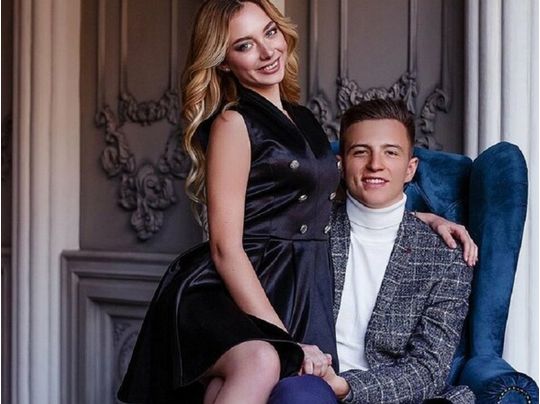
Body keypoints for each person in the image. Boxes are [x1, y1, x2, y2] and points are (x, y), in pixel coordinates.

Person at [118, 2, 476, 403]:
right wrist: (285, 340)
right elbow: (224, 247)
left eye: (270, 32)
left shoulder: (303, 119)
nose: (267, 51)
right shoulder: (233, 123)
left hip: (289, 285)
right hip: (233, 286)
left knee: (231, 387)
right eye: (244, 45)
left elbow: (326, 200)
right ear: (223, 62)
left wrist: (420, 218)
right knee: (261, 362)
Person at [326, 99, 473, 403]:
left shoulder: (445, 256)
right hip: (310, 388)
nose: (375, 164)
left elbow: (428, 370)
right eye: (361, 152)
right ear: (341, 165)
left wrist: (346, 388)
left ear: (410, 169)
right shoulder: (310, 234)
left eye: (390, 152)